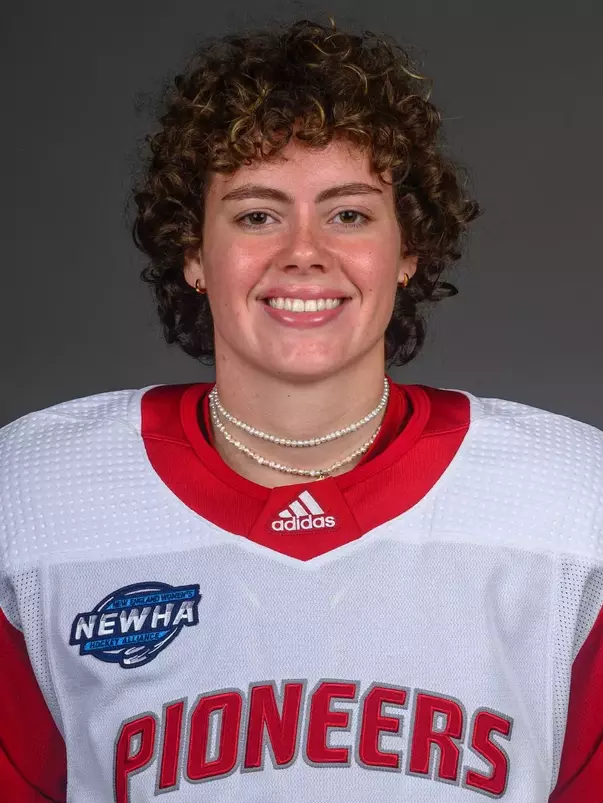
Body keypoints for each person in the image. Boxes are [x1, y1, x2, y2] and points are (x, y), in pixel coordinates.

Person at [0, 16, 601, 803]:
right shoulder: (34, 496)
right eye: (257, 214)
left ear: (406, 248)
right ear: (192, 252)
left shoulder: (569, 499)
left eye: (348, 213)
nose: (303, 251)